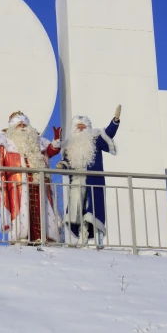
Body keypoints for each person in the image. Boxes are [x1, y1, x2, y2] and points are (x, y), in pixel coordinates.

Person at [0, 111, 62, 244]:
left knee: (41, 207)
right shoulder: (5, 141)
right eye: (18, 124)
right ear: (12, 127)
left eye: (24, 124)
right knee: (21, 210)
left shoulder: (37, 141)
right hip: (17, 184)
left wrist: (56, 141)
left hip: (39, 181)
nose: (22, 126)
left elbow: (50, 152)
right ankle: (22, 237)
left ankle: (45, 236)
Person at [56, 105, 121, 247]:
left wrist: (115, 121)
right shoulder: (69, 146)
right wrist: (62, 165)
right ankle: (82, 238)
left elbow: (108, 134)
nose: (80, 128)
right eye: (78, 126)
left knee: (94, 212)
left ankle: (98, 239)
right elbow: (67, 163)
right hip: (77, 183)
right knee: (78, 212)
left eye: (83, 126)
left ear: (88, 127)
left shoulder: (95, 138)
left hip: (93, 181)